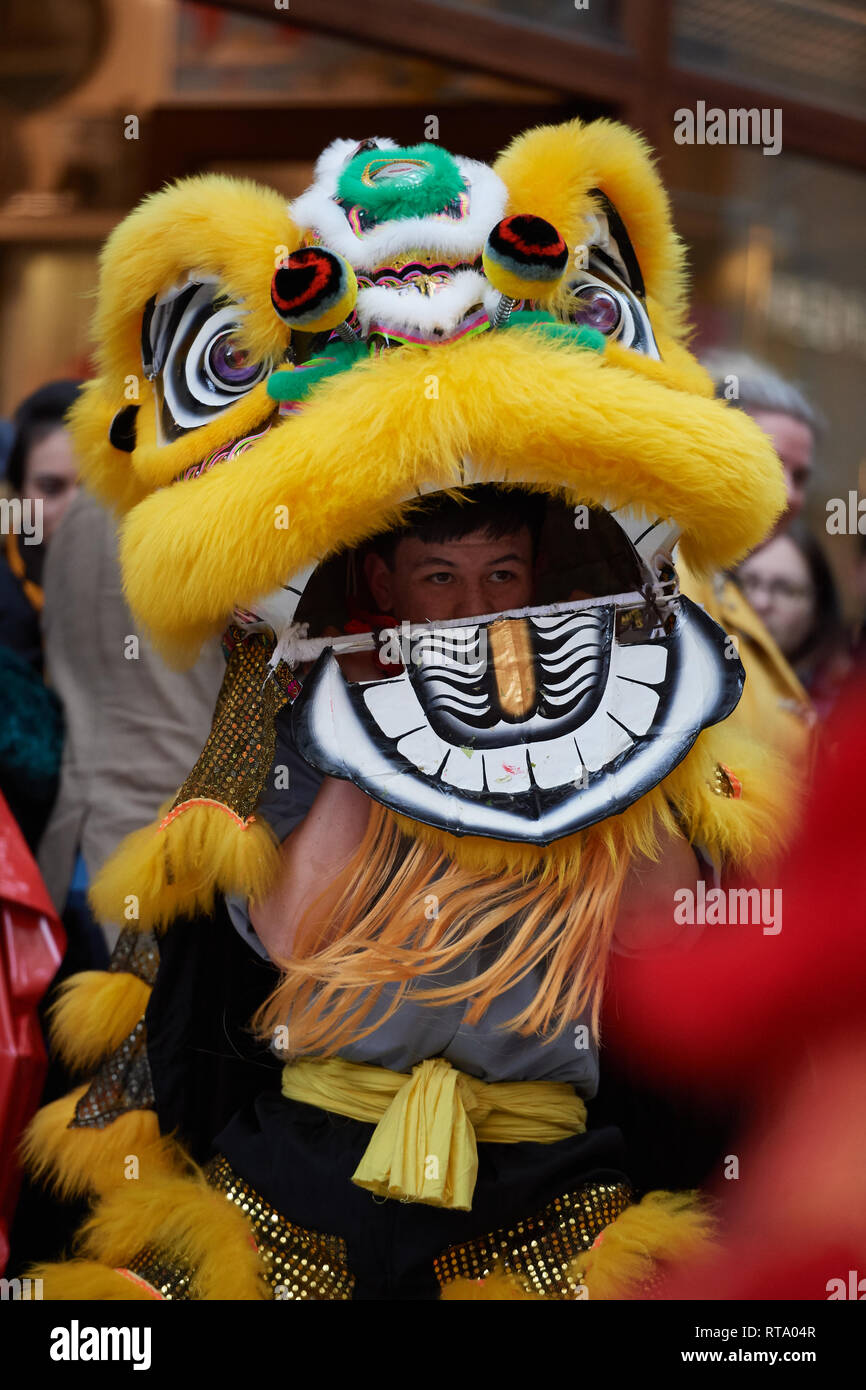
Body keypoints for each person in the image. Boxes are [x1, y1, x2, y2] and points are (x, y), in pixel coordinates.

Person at [734, 521, 851, 721]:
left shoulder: (847, 706)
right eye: (750, 582)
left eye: (784, 589)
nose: (760, 602)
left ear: (817, 610)